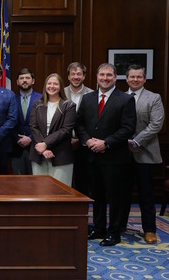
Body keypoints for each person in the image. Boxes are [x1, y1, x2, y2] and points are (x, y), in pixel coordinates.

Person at [76, 63, 136, 246]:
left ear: (115, 77)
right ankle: (99, 227)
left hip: (114, 158)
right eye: (102, 74)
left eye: (109, 75)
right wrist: (88, 141)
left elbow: (128, 128)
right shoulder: (87, 98)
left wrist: (106, 143)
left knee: (115, 196)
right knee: (97, 195)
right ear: (96, 76)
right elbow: (79, 124)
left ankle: (114, 231)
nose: (105, 78)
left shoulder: (125, 99)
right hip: (91, 156)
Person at [124, 64, 164, 244]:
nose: (135, 79)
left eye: (138, 77)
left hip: (145, 152)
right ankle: (119, 226)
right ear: (126, 79)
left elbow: (156, 125)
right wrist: (126, 143)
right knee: (121, 193)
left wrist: (136, 141)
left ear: (144, 79)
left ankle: (149, 230)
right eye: (132, 77)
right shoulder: (120, 97)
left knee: (146, 194)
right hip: (122, 153)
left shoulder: (154, 98)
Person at [28, 73, 76, 186]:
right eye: (49, 83)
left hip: (61, 156)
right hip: (39, 154)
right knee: (40, 192)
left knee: (60, 193)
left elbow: (66, 130)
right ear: (45, 86)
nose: (52, 86)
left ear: (61, 86)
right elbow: (33, 127)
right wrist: (43, 148)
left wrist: (45, 144)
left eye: (55, 84)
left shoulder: (69, 105)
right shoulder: (37, 104)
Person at [64, 62, 94, 194]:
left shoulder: (92, 94)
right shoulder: (60, 92)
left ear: (84, 76)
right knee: (64, 179)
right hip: (63, 143)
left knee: (83, 179)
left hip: (85, 144)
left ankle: (82, 210)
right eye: (73, 74)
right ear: (68, 77)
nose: (76, 77)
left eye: (79, 74)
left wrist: (81, 139)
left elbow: (93, 120)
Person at [11, 68, 42, 174]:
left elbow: (43, 123)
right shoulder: (11, 99)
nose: (24, 80)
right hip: (16, 148)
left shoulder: (41, 99)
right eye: (22, 78)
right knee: (18, 184)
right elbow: (8, 121)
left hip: (35, 147)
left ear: (33, 81)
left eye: (27, 78)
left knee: (35, 183)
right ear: (17, 82)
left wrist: (30, 138)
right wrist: (18, 139)